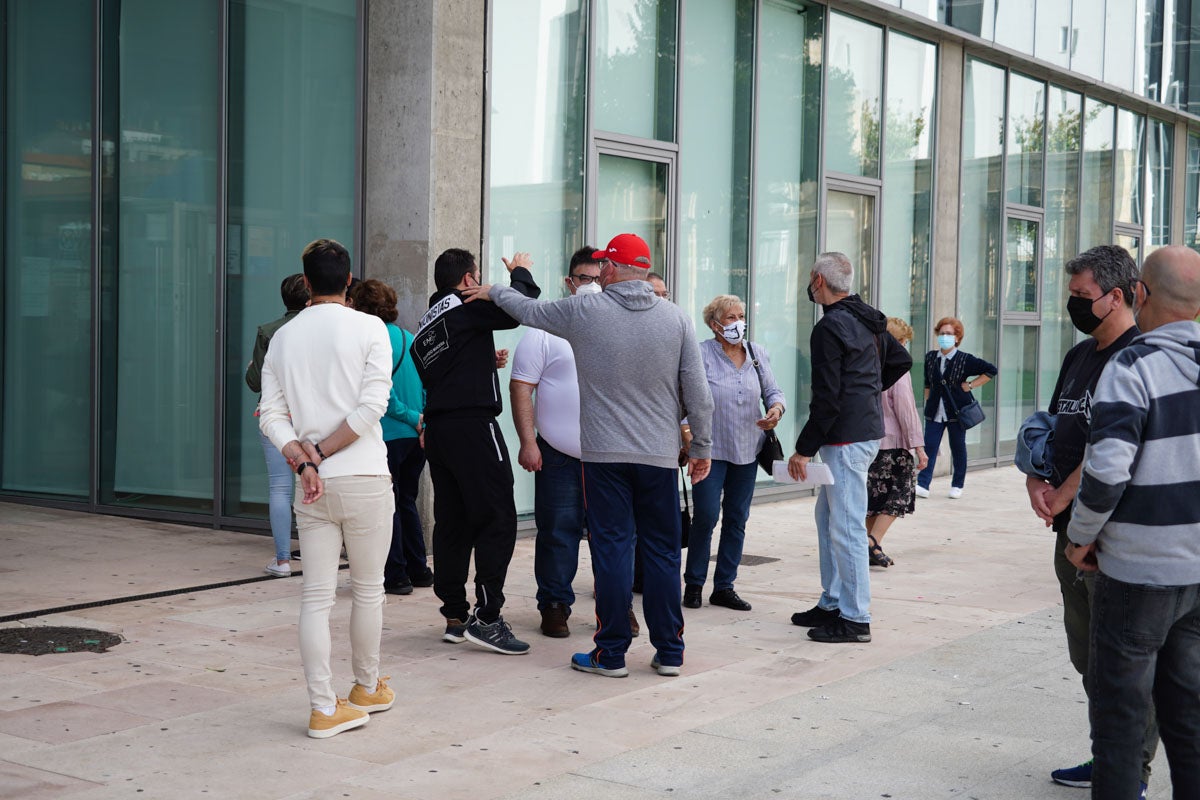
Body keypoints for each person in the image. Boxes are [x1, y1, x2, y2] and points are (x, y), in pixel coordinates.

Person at [466, 233, 714, 678]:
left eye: (604, 265)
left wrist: (497, 289)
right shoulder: (676, 319)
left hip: (603, 458)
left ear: (613, 270)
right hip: (657, 457)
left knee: (612, 550)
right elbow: (699, 394)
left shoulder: (587, 310)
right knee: (661, 553)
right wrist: (702, 449)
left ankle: (612, 653)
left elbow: (529, 311)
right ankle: (670, 652)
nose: (600, 271)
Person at [1019, 245, 1158, 795]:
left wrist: (1066, 494)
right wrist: (1036, 477)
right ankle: (1109, 757)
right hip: (1068, 531)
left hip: (1112, 535)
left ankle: (1131, 773)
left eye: (1081, 297)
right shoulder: (1080, 357)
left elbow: (1116, 446)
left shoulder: (1139, 357)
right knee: (1089, 658)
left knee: (1123, 664)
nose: (1072, 306)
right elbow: (1053, 426)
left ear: (1116, 296)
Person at [1066, 245, 1200, 800]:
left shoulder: (1134, 363)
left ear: (1140, 294)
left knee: (1120, 723)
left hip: (1136, 572)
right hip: (1196, 574)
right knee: (1189, 717)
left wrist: (1080, 538)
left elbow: (1107, 469)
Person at [258, 238, 395, 739]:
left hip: (311, 485)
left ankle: (322, 706)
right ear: (350, 280)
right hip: (362, 475)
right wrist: (324, 453)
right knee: (368, 591)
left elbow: (270, 415)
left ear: (308, 283)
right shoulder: (371, 328)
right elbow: (371, 408)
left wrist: (303, 460)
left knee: (315, 598)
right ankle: (366, 688)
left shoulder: (283, 338)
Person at [410, 248, 540, 655]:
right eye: (479, 279)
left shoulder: (427, 323)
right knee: (497, 516)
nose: (484, 285)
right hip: (473, 426)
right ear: (468, 280)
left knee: (453, 521)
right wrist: (519, 273)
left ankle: (454, 614)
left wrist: (486, 362)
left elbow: (452, 366)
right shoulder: (466, 305)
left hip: (440, 430)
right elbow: (521, 306)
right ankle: (488, 618)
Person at [787, 252, 911, 644]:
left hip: (845, 438)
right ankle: (832, 602)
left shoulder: (832, 327)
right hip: (863, 432)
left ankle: (856, 619)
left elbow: (827, 397)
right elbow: (901, 360)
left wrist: (803, 450)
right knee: (829, 520)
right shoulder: (867, 319)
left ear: (818, 281)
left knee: (846, 528)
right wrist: (867, 391)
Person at [510, 246, 603, 637]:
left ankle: (614, 608)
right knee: (557, 532)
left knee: (614, 535)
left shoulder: (619, 325)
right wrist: (527, 441)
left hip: (609, 454)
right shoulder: (545, 329)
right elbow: (521, 387)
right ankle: (554, 605)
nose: (593, 286)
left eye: (600, 279)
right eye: (585, 279)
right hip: (557, 453)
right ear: (570, 282)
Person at [682, 294, 785, 611]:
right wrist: (688, 440)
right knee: (707, 517)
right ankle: (695, 584)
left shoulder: (757, 353)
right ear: (714, 324)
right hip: (710, 451)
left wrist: (776, 410)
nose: (738, 322)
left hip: (748, 450)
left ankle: (724, 586)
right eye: (730, 317)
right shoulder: (700, 355)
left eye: (741, 315)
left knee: (737, 519)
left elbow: (773, 392)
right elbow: (687, 402)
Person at [348, 279, 433, 597]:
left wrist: (412, 417)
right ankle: (419, 569)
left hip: (388, 434)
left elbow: (382, 396)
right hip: (415, 437)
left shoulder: (370, 341)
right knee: (405, 501)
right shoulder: (409, 338)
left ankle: (395, 574)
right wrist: (422, 420)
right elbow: (426, 386)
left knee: (388, 506)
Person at [245, 273, 309, 577]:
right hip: (313, 419)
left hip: (275, 419)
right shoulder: (319, 328)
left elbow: (254, 380)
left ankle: (282, 560)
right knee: (315, 485)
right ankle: (316, 554)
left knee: (280, 488)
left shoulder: (269, 331)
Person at [864, 317, 927, 568]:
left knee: (874, 499)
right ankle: (872, 541)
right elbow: (906, 410)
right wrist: (918, 447)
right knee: (898, 496)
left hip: (869, 442)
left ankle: (872, 547)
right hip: (894, 445)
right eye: (903, 342)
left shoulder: (866, 365)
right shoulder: (898, 370)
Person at [915, 317, 996, 499]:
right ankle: (923, 484)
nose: (945, 337)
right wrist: (928, 403)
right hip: (935, 412)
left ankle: (957, 484)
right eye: (942, 333)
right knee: (929, 448)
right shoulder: (930, 358)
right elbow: (928, 384)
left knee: (958, 447)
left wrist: (972, 385)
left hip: (957, 412)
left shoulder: (965, 360)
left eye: (949, 334)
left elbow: (991, 370)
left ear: (957, 338)